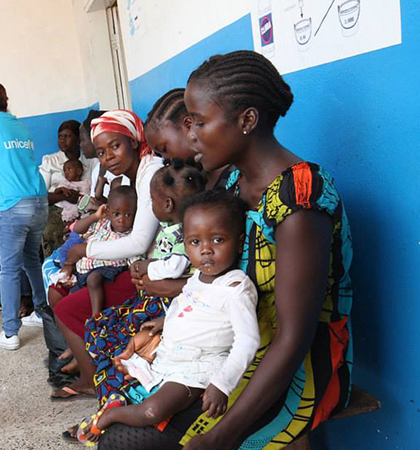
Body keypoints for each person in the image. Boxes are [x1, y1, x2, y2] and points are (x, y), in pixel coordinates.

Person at [99, 50, 353, 450]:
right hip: (231, 346)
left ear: (246, 120)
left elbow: (294, 338)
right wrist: (178, 322)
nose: (192, 136)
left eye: (199, 122)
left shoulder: (299, 199)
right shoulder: (233, 184)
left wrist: (222, 435)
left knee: (126, 441)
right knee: (125, 398)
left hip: (296, 368)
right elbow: (223, 283)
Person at [77, 190, 259, 445]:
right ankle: (121, 402)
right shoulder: (199, 277)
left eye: (217, 240)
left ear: (239, 243)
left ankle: (111, 415)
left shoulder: (235, 289)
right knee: (121, 361)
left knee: (153, 411)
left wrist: (222, 384)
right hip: (171, 356)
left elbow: (248, 341)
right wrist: (165, 322)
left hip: (196, 368)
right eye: (195, 242)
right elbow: (188, 303)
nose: (206, 250)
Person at [51, 109, 162, 400]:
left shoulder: (150, 172)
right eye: (101, 152)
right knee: (60, 292)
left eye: (115, 146)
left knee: (67, 308)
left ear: (134, 141)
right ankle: (88, 363)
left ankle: (91, 378)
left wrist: (85, 249)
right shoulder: (133, 175)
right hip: (138, 266)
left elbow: (139, 242)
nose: (108, 156)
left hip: (151, 272)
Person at [0, 82, 48, 351]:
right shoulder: (20, 127)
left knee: (9, 269)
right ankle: (42, 312)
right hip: (39, 201)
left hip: (13, 206)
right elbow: (9, 165)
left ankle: (10, 332)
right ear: (6, 101)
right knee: (32, 260)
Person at [58, 186, 139, 316]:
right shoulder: (102, 223)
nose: (122, 219)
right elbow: (77, 229)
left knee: (93, 279)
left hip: (108, 268)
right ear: (108, 211)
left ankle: (96, 316)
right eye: (116, 214)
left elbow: (133, 259)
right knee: (71, 298)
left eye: (128, 214)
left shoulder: (132, 235)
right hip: (84, 268)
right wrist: (95, 216)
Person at [144, 88, 232, 190]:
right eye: (160, 154)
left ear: (189, 125)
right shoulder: (195, 183)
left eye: (164, 149)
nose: (165, 159)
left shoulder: (233, 174)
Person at [41, 120, 98, 256]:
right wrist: (65, 196)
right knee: (51, 232)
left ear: (79, 139)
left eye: (67, 136)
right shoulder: (50, 161)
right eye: (60, 137)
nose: (62, 140)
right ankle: (55, 264)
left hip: (85, 208)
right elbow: (40, 195)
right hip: (57, 209)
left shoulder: (90, 160)